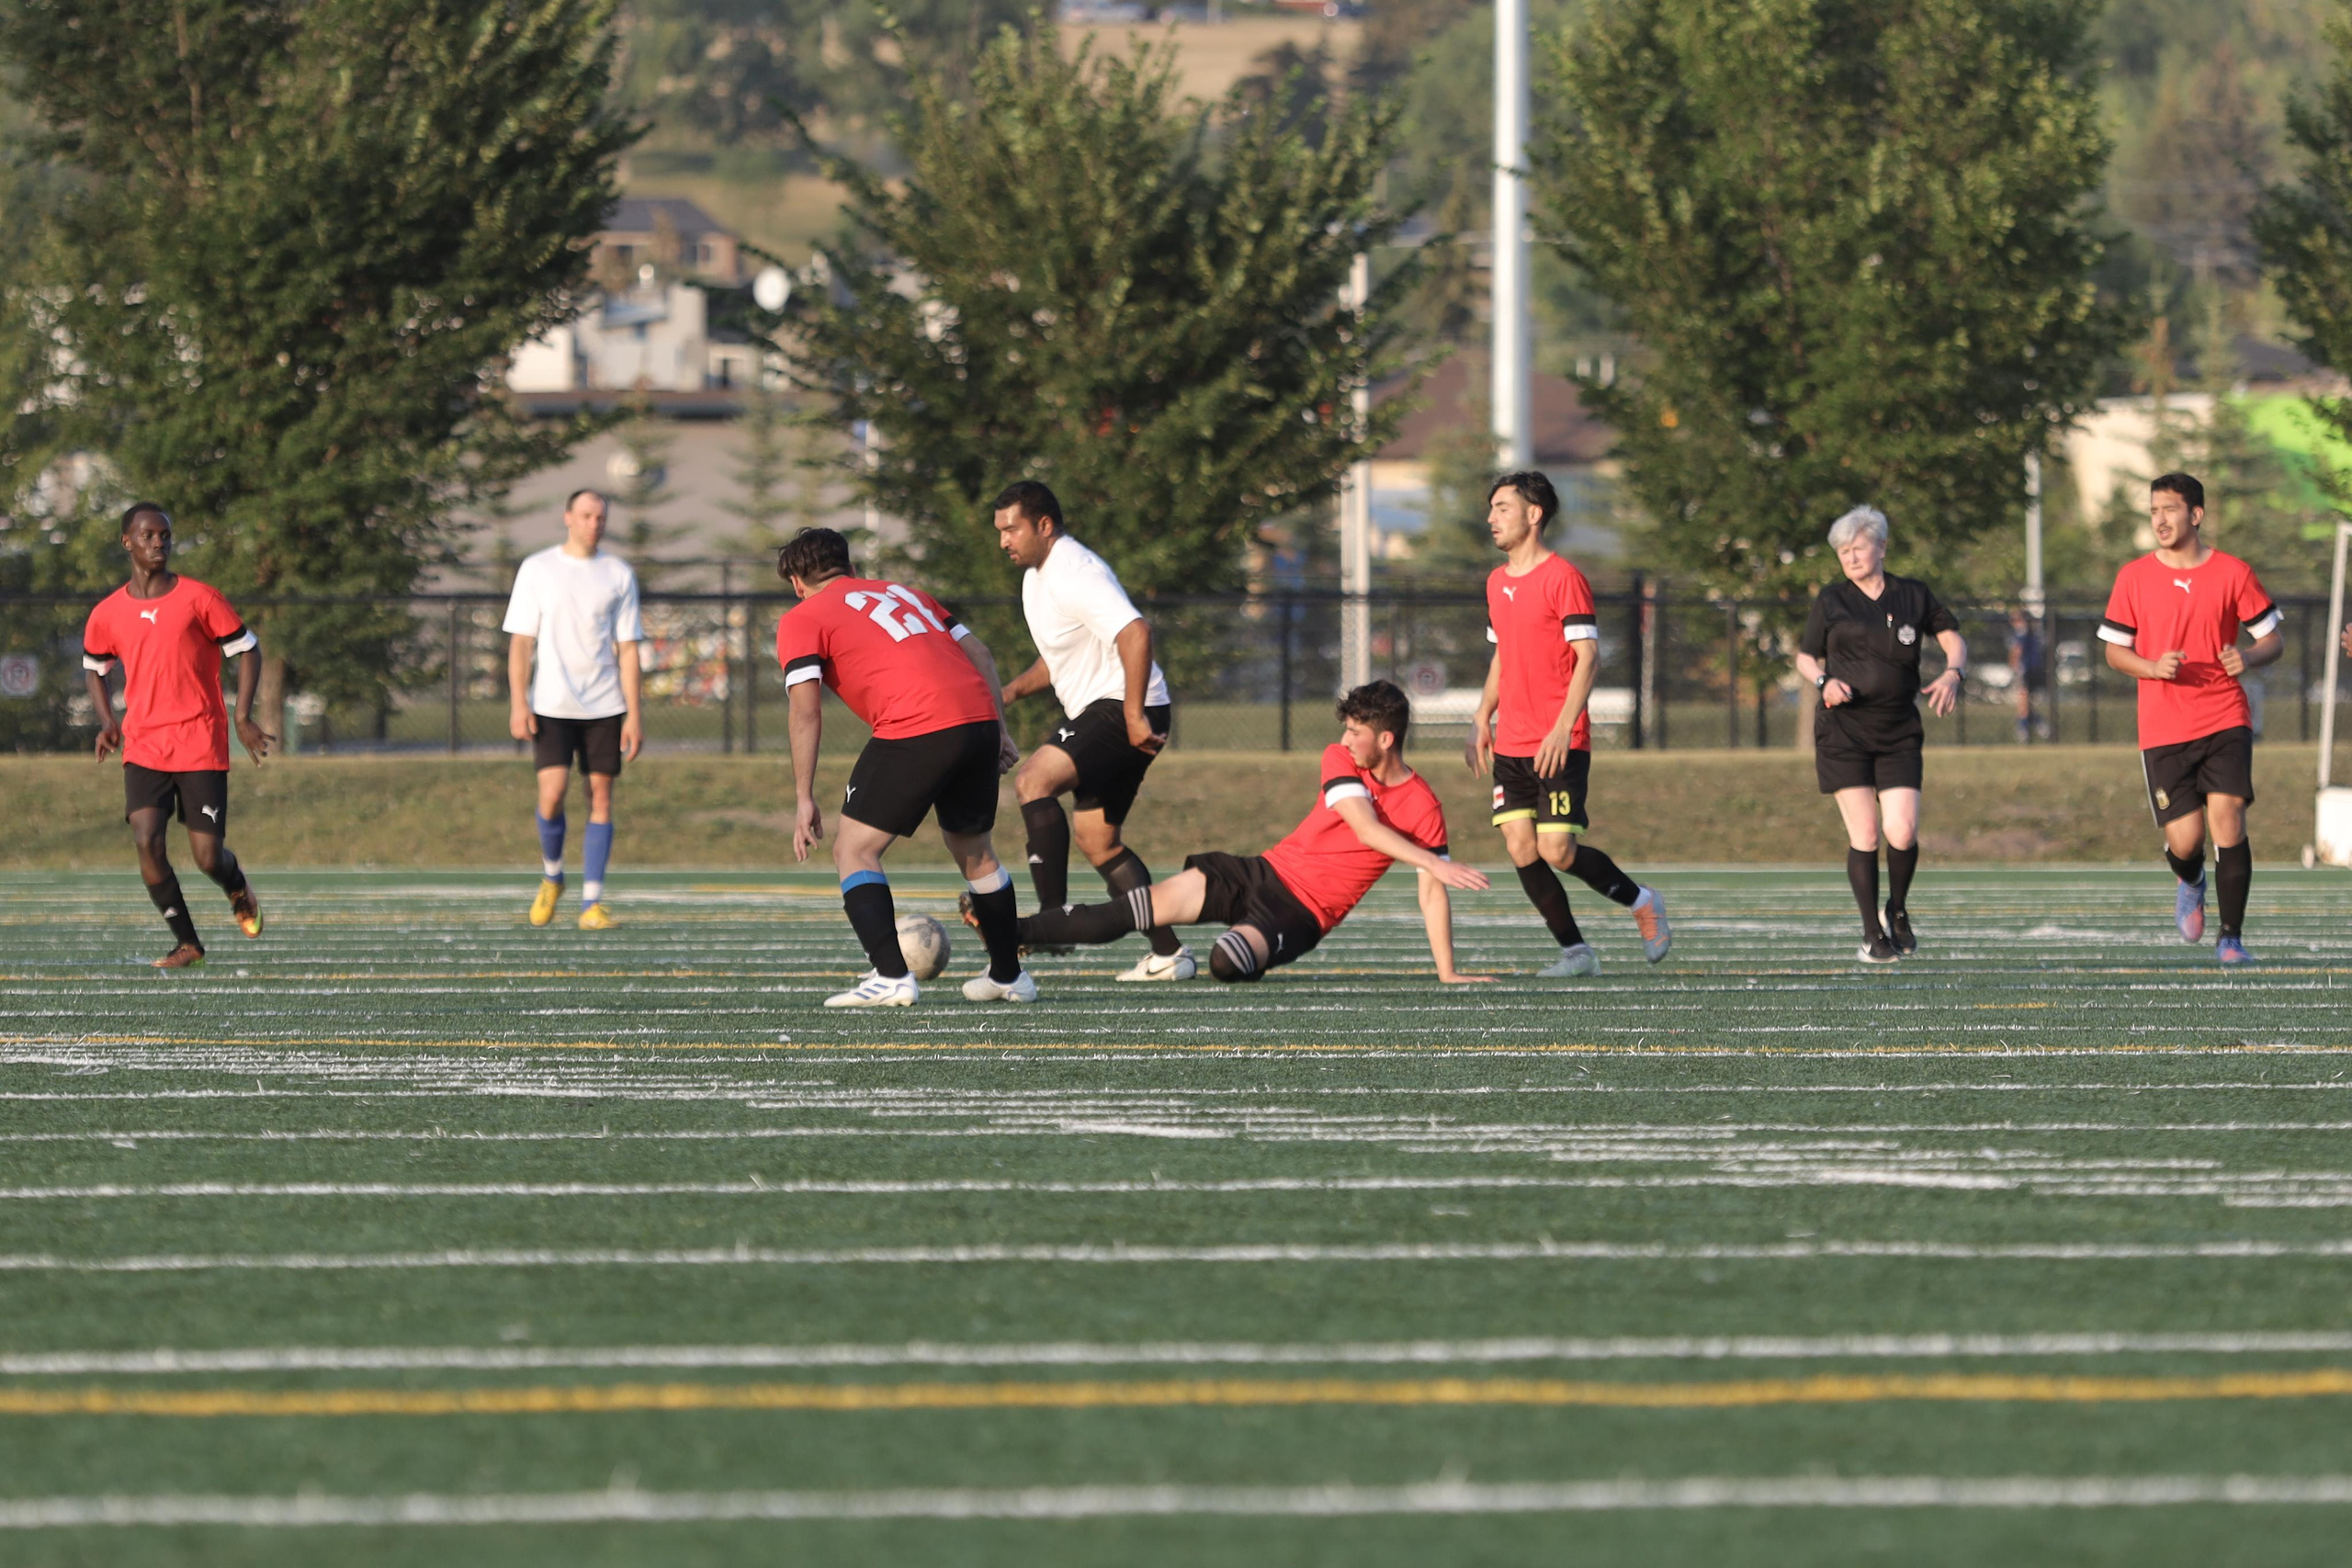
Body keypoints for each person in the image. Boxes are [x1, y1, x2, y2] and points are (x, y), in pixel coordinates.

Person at [1005, 682, 1493, 984]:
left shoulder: (1423, 805)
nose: (1344, 739)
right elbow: (1364, 827)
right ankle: (1007, 932)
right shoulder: (1340, 758)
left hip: (1300, 913)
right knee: (1137, 909)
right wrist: (1431, 860)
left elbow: (1433, 894)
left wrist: (1447, 972)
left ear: (1386, 739)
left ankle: (1243, 947)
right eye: (1344, 728)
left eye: (1355, 732)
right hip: (1258, 873)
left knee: (1225, 961)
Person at [776, 527, 1035, 1007]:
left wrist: (803, 795)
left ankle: (891, 977)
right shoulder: (908, 593)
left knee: (854, 851)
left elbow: (805, 710)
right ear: (850, 568)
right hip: (977, 716)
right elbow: (979, 654)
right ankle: (1008, 976)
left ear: (796, 582)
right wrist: (999, 729)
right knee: (974, 850)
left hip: (917, 724)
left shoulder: (802, 616)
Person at [1465, 471, 1670, 976]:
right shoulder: (1495, 582)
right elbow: (1503, 658)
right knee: (1519, 845)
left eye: (1503, 508)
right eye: (1491, 508)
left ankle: (1642, 901)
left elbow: (1588, 658)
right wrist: (1481, 716)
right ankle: (1576, 952)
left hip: (1559, 741)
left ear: (1534, 515)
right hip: (1511, 741)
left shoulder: (1563, 578)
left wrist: (1562, 727)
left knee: (1556, 849)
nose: (1491, 518)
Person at [988, 481, 1194, 980]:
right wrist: (1011, 691)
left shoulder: (1074, 571)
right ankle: (1169, 953)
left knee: (1033, 781)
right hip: (1115, 708)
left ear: (1043, 525)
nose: (1003, 541)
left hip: (1124, 708)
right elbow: (1061, 656)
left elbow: (1135, 631)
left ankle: (1051, 919)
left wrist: (1130, 714)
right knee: (1099, 842)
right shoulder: (1037, 577)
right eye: (999, 531)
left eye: (1011, 528)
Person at [2098, 472, 2282, 965]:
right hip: (2163, 728)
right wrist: (2151, 667)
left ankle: (2231, 937)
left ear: (2195, 515)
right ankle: (2191, 878)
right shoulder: (2133, 577)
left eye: (2170, 509)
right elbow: (2115, 653)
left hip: (2225, 715)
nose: (2160, 519)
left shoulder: (2233, 573)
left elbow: (2272, 639)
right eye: (2154, 510)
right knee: (2186, 841)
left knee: (2228, 819)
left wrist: (2250, 657)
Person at [80, 502, 273, 968]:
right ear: (127, 542)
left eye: (164, 535)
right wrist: (109, 722)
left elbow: (248, 650)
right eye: (147, 536)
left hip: (200, 742)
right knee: (147, 839)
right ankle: (187, 942)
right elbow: (94, 667)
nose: (158, 543)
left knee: (207, 856)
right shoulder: (107, 612)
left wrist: (242, 715)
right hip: (145, 744)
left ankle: (235, 885)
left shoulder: (200, 599)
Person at [1793, 505, 1966, 964]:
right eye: (1842, 551)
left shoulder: (1912, 595)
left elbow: (1950, 636)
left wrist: (1954, 672)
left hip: (1897, 730)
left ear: (1882, 547)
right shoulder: (1832, 600)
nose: (1849, 557)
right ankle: (1872, 932)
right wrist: (1822, 682)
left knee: (1902, 830)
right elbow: (1806, 657)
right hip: (1843, 731)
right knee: (1866, 833)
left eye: (1858, 547)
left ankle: (1898, 909)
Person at [503, 489, 644, 931]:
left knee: (600, 797)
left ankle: (591, 904)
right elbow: (521, 643)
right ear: (568, 517)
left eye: (600, 516)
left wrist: (634, 715)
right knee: (552, 794)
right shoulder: (538, 569)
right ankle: (552, 876)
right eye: (585, 515)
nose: (593, 523)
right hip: (551, 704)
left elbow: (627, 650)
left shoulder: (618, 573)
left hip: (605, 705)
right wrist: (518, 702)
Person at [2006, 606, 2049, 742]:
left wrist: (2014, 667)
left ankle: (2028, 729)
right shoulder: (2034, 634)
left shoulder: (2022, 634)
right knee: (2026, 704)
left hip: (2025, 671)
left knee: (2023, 704)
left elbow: (2017, 651)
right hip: (2034, 670)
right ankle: (2036, 726)